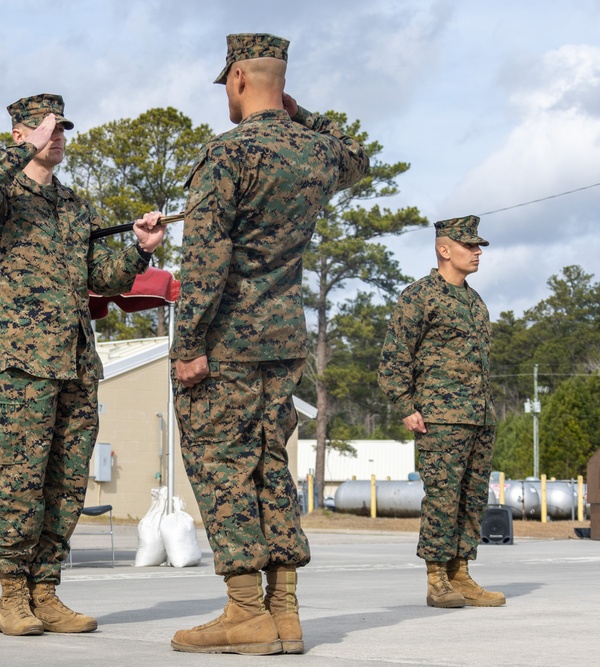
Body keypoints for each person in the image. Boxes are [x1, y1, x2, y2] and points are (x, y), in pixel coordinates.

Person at [170, 33, 369, 654]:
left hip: (226, 343)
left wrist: (187, 345)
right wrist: (298, 111)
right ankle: (285, 613)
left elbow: (205, 259)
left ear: (236, 80)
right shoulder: (314, 154)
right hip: (284, 341)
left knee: (222, 467)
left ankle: (245, 611)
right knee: (270, 466)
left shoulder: (227, 155)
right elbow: (357, 156)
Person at [0, 93, 165, 636]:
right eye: (47, 126)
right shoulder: (2, 198)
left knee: (68, 482)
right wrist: (16, 149)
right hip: (24, 363)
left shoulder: (74, 206)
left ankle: (45, 589)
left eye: (63, 127)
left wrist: (140, 250)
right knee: (20, 481)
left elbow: (105, 277)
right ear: (21, 133)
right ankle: (11, 596)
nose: (58, 135)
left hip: (75, 362)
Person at [378, 215, 504, 609]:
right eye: (470, 246)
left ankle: (460, 573)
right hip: (440, 418)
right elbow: (394, 357)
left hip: (479, 417)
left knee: (472, 499)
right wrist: (405, 406)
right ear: (444, 250)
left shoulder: (475, 301)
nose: (478, 252)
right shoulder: (419, 296)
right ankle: (436, 578)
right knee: (443, 499)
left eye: (479, 246)